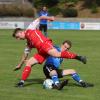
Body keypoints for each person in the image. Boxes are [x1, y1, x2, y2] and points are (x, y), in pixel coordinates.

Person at [12, 16, 87, 88]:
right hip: (41, 52)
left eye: (18, 37)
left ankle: (79, 57)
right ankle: (21, 82)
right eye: (17, 38)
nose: (18, 39)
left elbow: (40, 18)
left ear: (21, 32)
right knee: (29, 63)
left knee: (57, 54)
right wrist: (20, 65)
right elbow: (25, 55)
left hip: (45, 44)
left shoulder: (29, 28)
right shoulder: (28, 43)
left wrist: (49, 18)